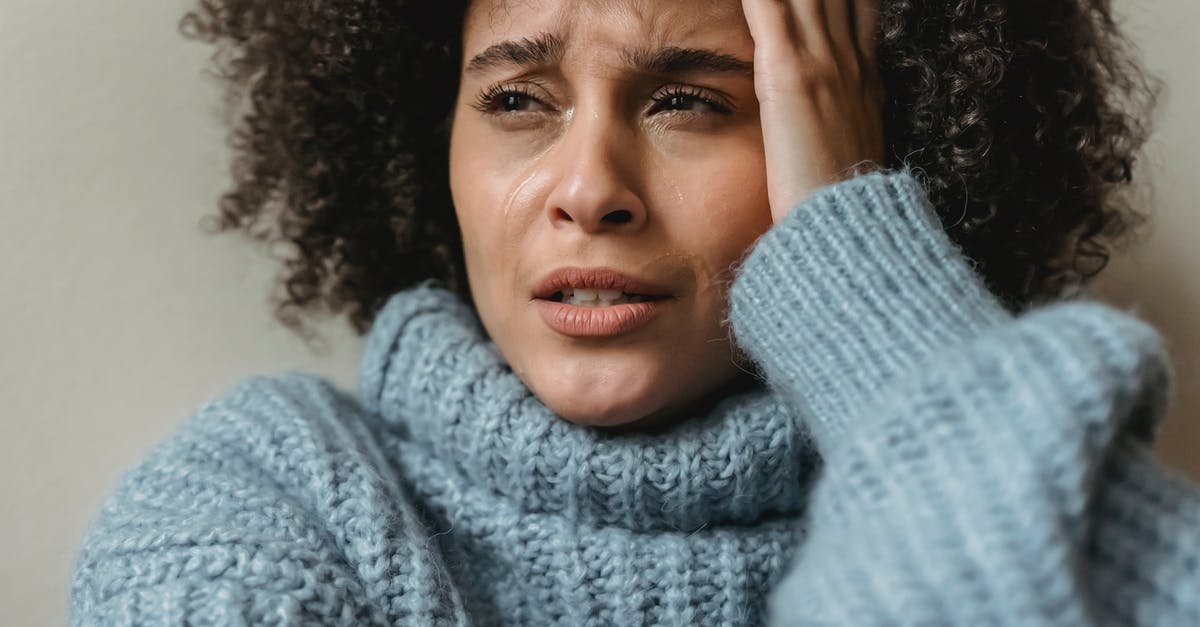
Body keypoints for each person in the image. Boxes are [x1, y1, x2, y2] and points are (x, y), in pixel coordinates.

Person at [71, 0, 1200, 624]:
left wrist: (859, 267)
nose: (589, 187)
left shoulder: (1040, 471)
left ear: (857, 144)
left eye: (691, 102)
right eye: (516, 100)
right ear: (429, 149)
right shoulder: (254, 501)